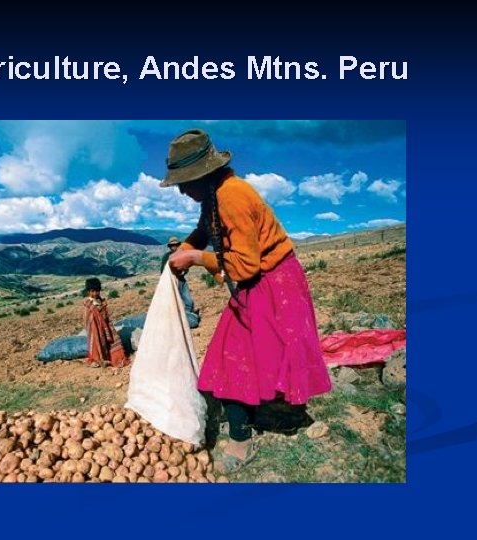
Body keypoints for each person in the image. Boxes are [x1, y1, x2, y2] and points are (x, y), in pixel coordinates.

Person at [162, 129, 332, 468]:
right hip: (263, 281)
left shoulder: (232, 197)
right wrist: (183, 250)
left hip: (274, 283)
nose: (181, 190)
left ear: (203, 174)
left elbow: (244, 266)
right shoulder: (213, 196)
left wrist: (196, 260)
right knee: (243, 353)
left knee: (231, 355)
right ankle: (247, 413)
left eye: (185, 181)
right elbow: (203, 231)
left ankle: (241, 440)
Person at [83, 277, 130, 368]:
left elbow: (105, 315)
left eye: (97, 291)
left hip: (104, 327)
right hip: (94, 328)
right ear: (88, 291)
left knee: (107, 341)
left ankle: (108, 357)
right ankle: (97, 359)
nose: (95, 293)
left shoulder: (101, 302)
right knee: (97, 342)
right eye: (92, 291)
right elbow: (88, 319)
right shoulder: (88, 305)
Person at [160, 236, 198, 317]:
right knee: (174, 302)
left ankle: (188, 316)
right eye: (172, 245)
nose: (174, 247)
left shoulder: (182, 255)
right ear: (170, 247)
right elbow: (163, 271)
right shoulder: (166, 257)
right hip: (171, 282)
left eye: (176, 245)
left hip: (181, 280)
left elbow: (186, 267)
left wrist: (184, 272)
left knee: (188, 301)